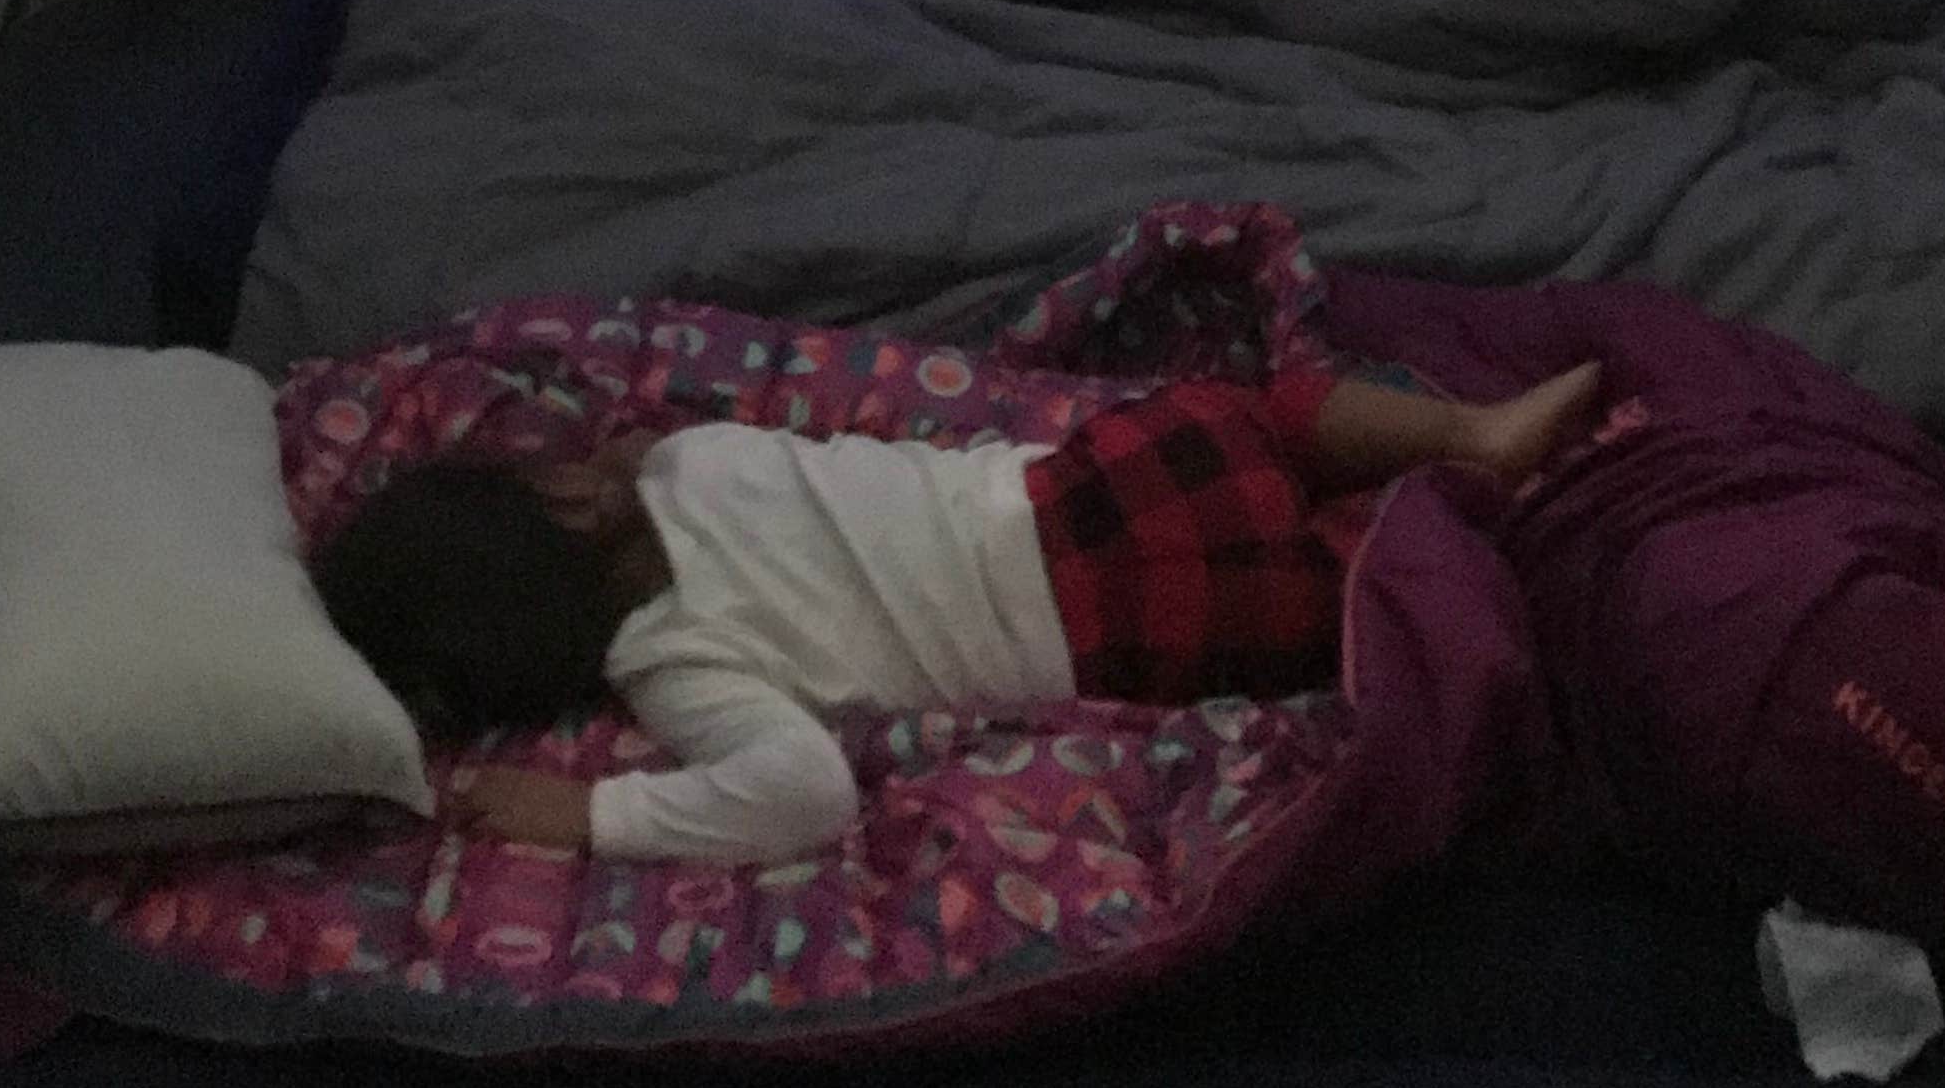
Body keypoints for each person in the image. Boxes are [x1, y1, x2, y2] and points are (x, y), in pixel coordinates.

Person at [312, 357, 1607, 861]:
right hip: (1095, 492)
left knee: (1334, 597)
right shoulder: (692, 467)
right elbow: (649, 445)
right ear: (574, 507)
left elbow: (800, 788)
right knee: (1271, 416)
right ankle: (1466, 427)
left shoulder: (673, 661)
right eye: (549, 468)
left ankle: (1501, 550)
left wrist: (595, 811)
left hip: (1110, 633)